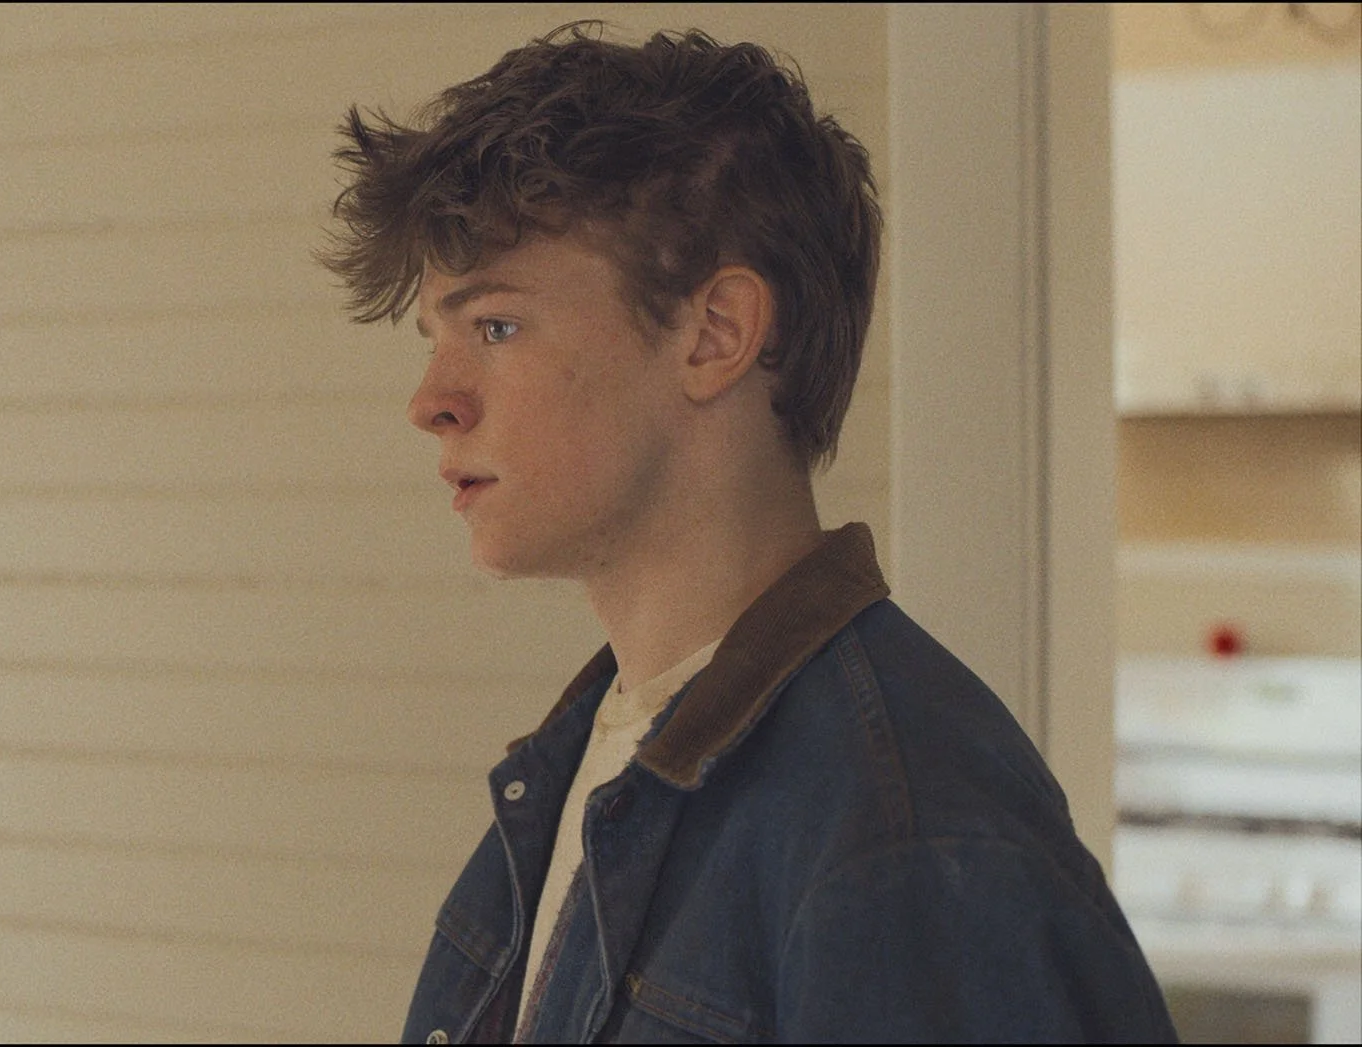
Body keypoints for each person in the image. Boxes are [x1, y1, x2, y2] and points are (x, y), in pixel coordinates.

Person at [320, 23, 1178, 1044]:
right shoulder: (581, 766)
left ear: (715, 334)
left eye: (495, 327)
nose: (431, 402)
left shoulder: (905, 846)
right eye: (434, 339)